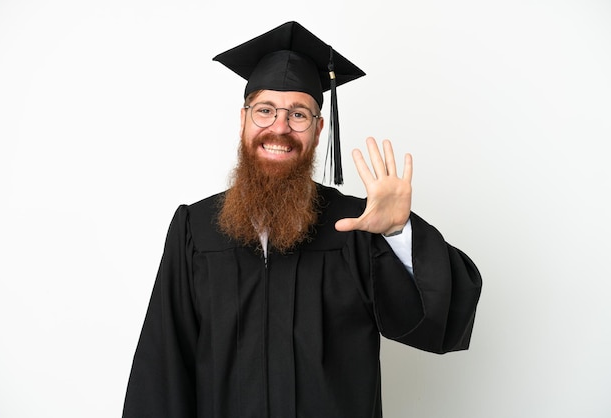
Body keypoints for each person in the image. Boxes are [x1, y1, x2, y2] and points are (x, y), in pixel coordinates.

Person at [123, 21, 482, 418]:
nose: (280, 127)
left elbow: (437, 320)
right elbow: (162, 367)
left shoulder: (356, 226)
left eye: (298, 114)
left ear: (318, 130)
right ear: (242, 120)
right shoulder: (196, 228)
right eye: (265, 111)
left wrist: (399, 231)